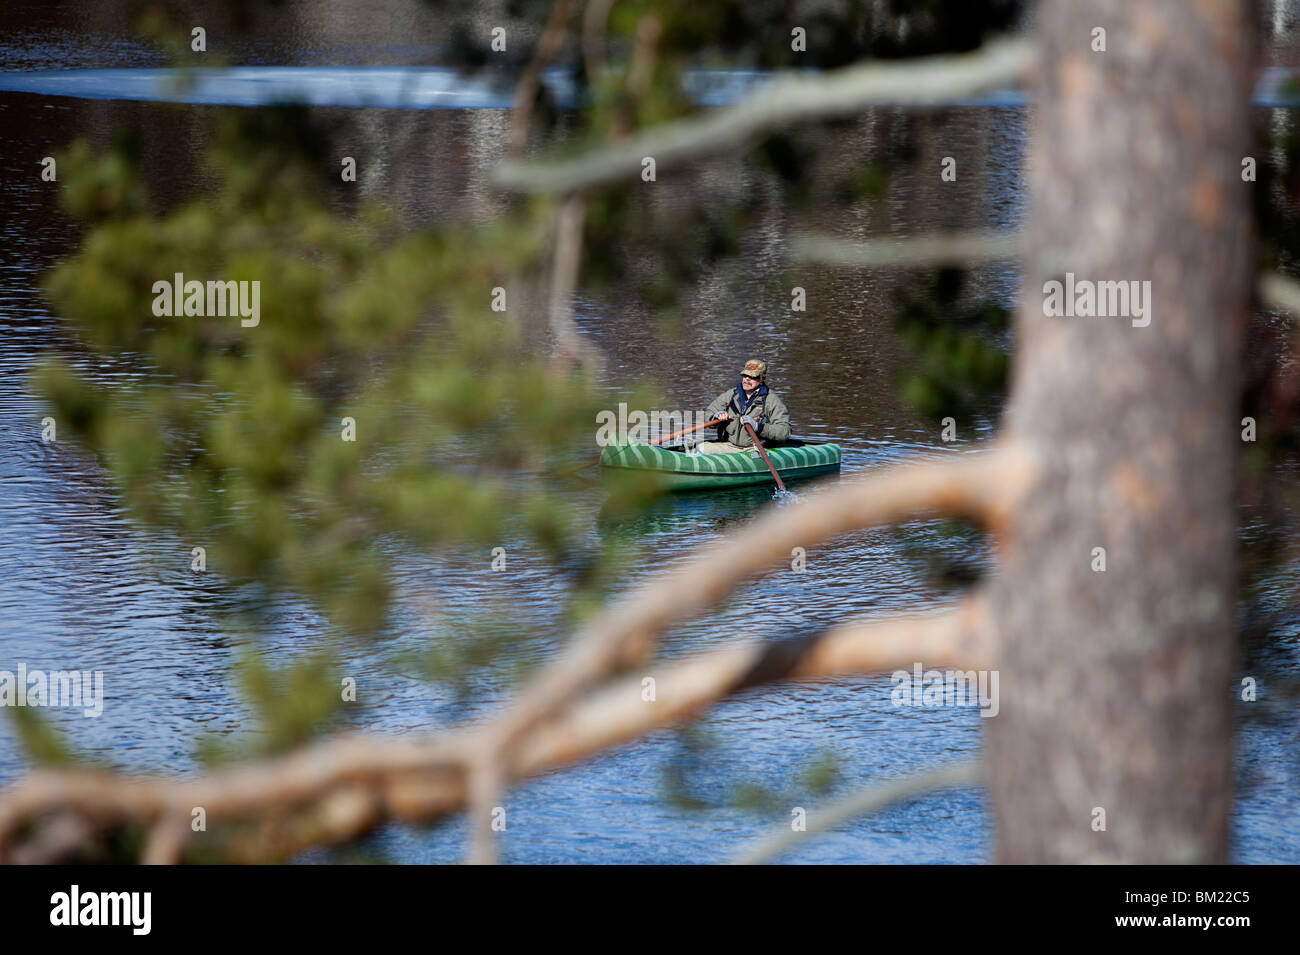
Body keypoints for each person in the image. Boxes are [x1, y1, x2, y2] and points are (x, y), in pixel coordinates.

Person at [698, 359, 791, 454]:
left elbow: (784, 431)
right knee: (699, 448)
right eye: (745, 375)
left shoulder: (771, 400)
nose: (747, 379)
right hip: (729, 445)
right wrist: (716, 417)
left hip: (756, 449)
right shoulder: (731, 395)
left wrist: (758, 427)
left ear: (761, 379)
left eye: (752, 376)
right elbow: (709, 413)